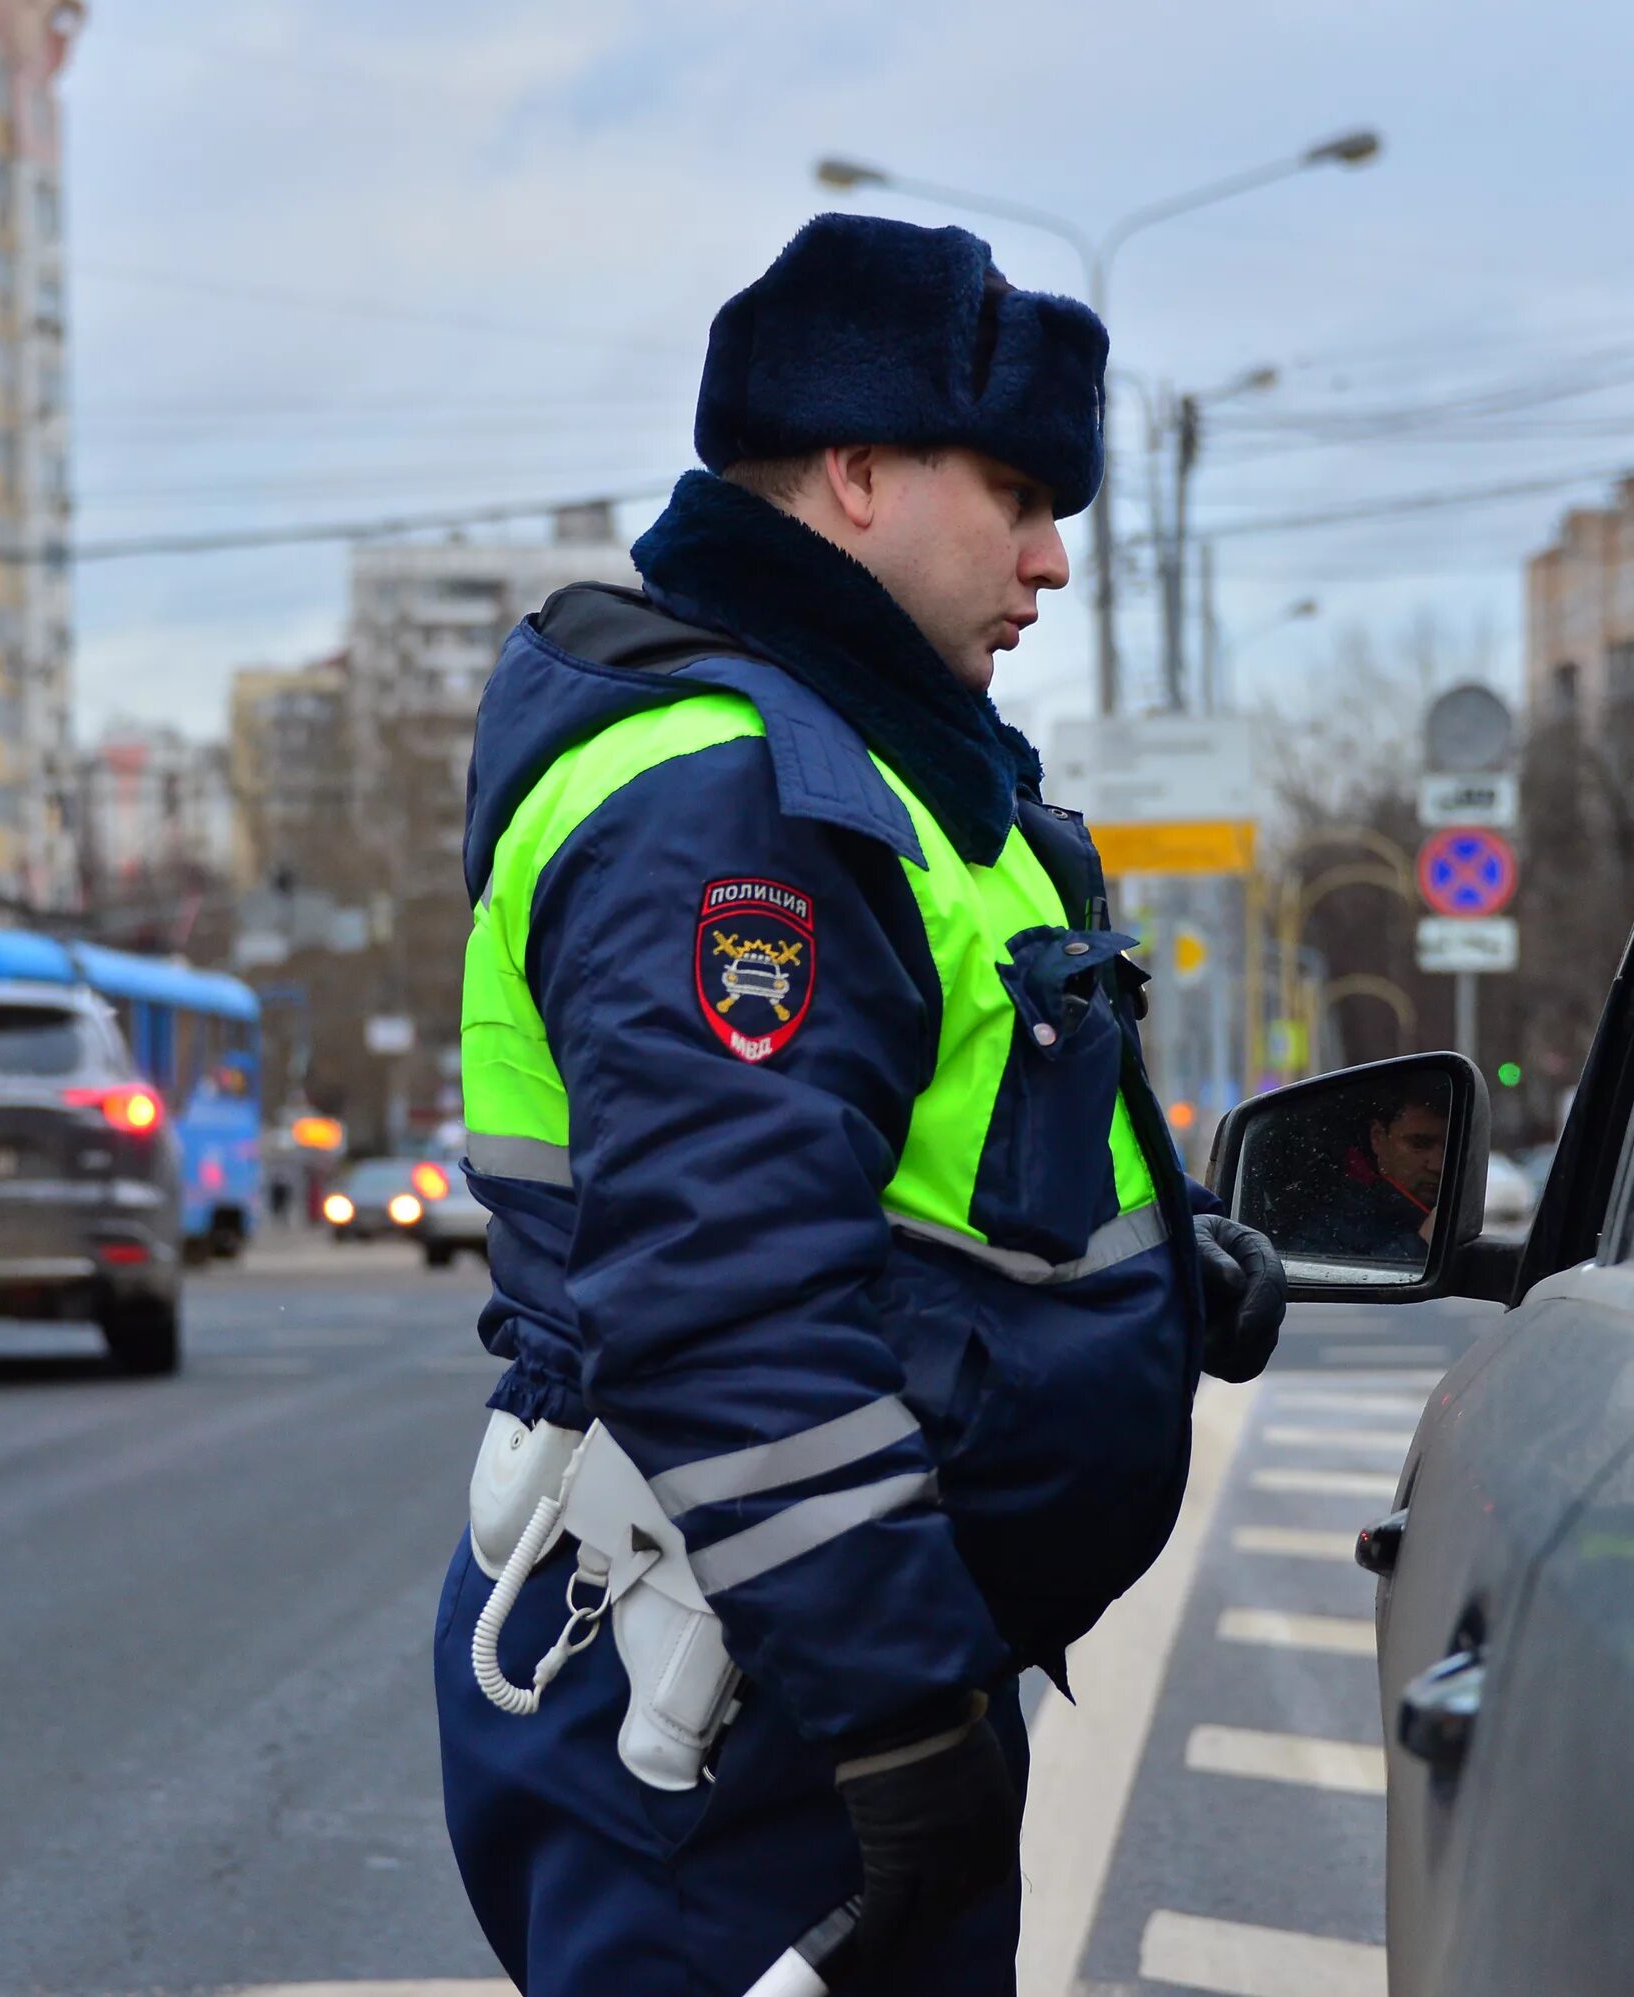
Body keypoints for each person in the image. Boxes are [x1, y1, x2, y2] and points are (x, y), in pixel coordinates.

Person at [432, 214, 1288, 1996]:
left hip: (816, 1661)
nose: (1055, 560)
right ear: (857, 474)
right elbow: (725, 1303)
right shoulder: (736, 797)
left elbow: (937, 1177)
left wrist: (1159, 1272)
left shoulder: (898, 776)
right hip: (750, 1698)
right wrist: (902, 1720)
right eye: (1021, 496)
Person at [1288, 1072, 1447, 1264]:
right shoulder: (1330, 1226)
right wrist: (1420, 1245)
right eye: (1419, 1144)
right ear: (1378, 1138)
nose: (1438, 1165)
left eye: (1451, 1147)